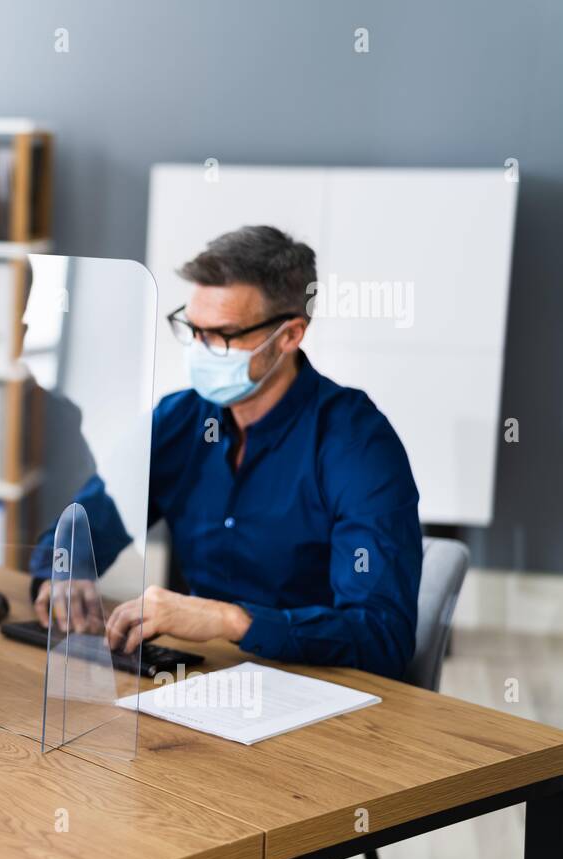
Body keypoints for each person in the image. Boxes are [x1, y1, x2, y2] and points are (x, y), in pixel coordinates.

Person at [30, 226, 423, 679]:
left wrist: (232, 621)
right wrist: (67, 570)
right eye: (193, 328)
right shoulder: (181, 419)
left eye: (221, 335)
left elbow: (383, 637)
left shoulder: (357, 444)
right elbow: (88, 520)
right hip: (204, 677)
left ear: (289, 335)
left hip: (323, 688)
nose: (200, 350)